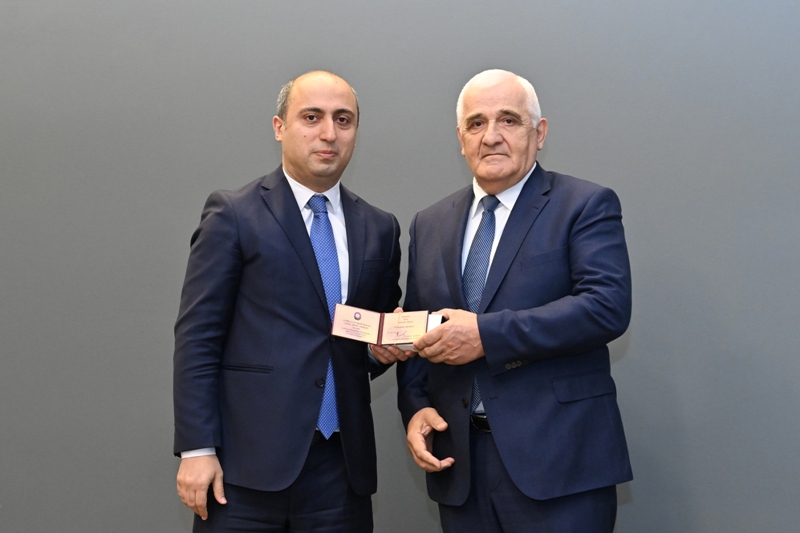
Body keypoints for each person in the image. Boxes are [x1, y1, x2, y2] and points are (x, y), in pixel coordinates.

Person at [390, 69, 633, 532]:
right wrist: (414, 404)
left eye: (508, 120)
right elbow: (424, 326)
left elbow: (606, 306)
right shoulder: (430, 223)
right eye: (476, 123)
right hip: (460, 467)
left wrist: (485, 335)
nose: (491, 136)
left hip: (561, 465)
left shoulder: (584, 204)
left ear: (539, 133)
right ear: (461, 139)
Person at [173, 70, 402, 532]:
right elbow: (198, 337)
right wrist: (197, 448)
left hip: (341, 472)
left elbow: (362, 340)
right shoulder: (234, 214)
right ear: (280, 127)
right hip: (243, 471)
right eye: (311, 117)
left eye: (343, 119)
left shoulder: (380, 227)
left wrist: (380, 353)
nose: (329, 133)